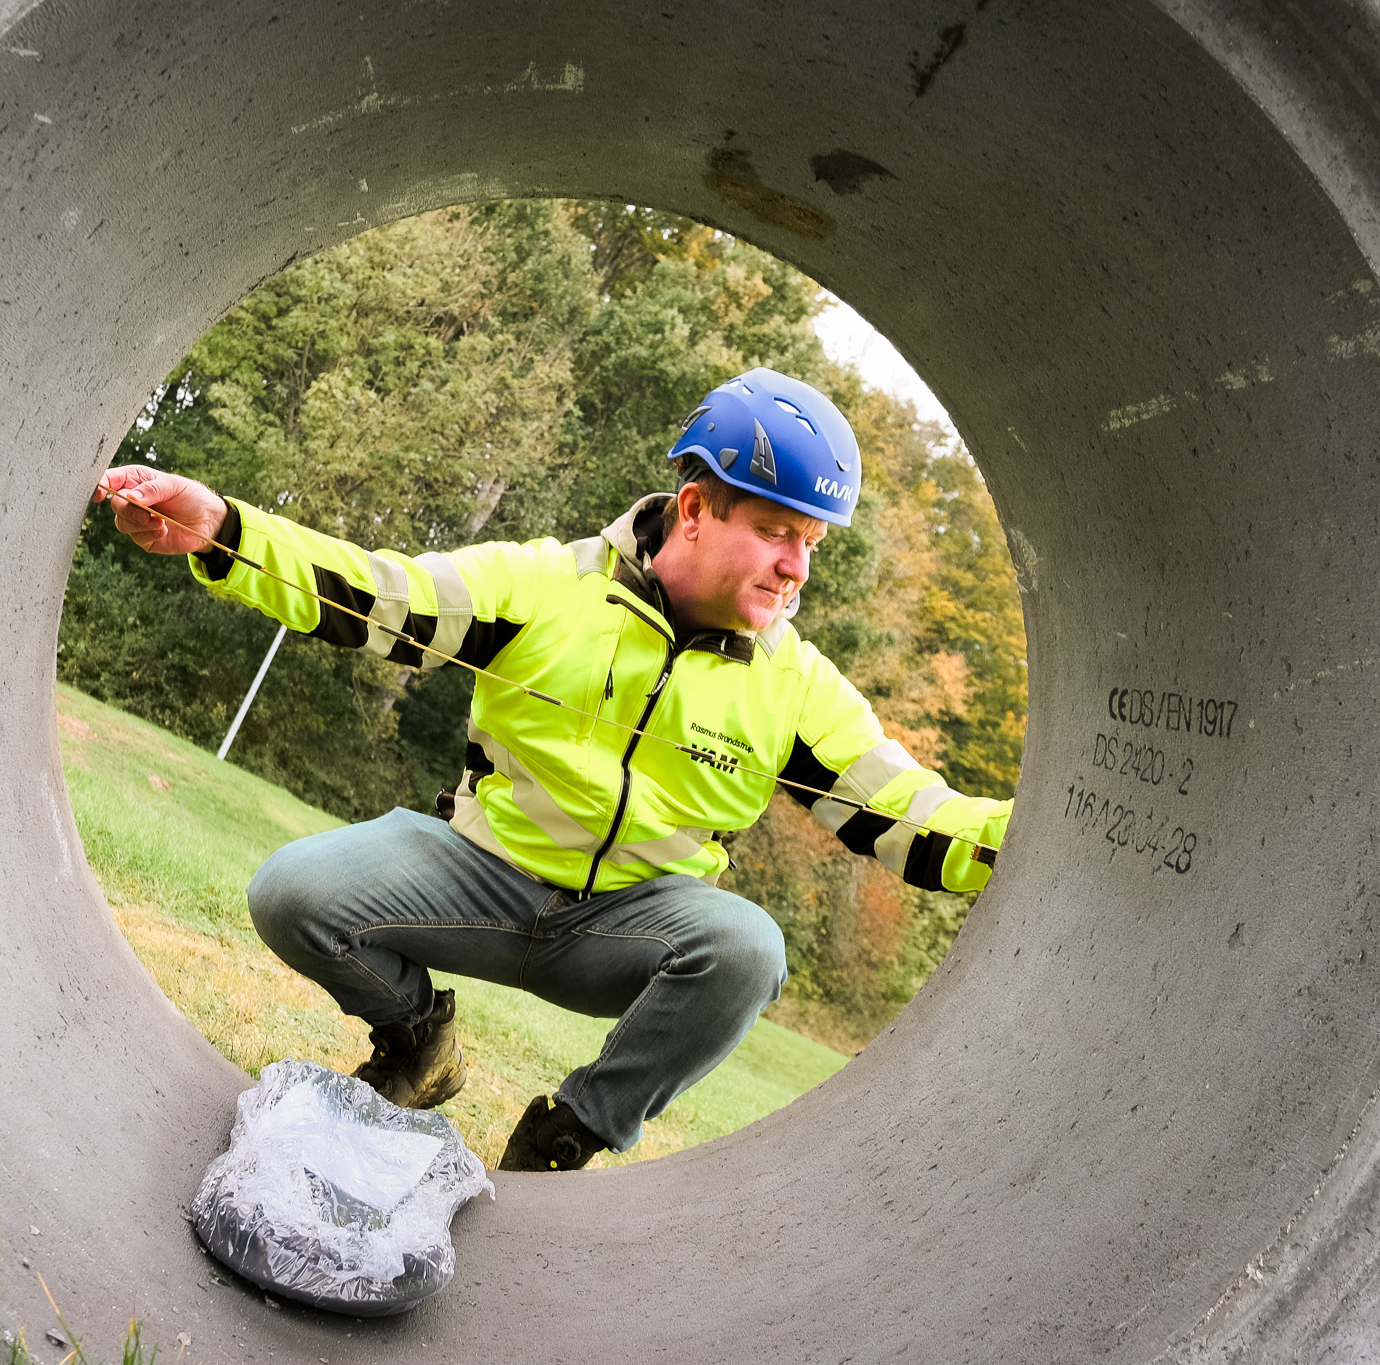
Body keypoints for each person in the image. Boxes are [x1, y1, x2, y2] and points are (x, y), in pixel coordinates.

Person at [95, 367, 1012, 1171]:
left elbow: (916, 822)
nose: (797, 566)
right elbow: (379, 594)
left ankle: (565, 1135)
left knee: (748, 947)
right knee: (292, 890)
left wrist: (1038, 832)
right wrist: (222, 533)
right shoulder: (547, 584)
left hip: (627, 930)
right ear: (694, 510)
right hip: (478, 882)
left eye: (812, 544)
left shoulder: (799, 684)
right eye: (778, 532)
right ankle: (419, 1042)